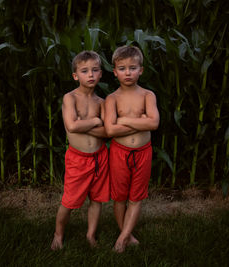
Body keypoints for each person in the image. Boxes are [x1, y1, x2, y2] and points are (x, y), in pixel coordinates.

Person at [51, 51, 110, 250]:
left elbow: (107, 132)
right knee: (69, 201)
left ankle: (90, 235)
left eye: (95, 70)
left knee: (97, 199)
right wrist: (95, 121)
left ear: (101, 73)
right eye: (85, 71)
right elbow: (72, 126)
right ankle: (58, 234)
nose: (90, 75)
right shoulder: (70, 98)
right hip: (78, 159)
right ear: (76, 76)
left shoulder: (102, 102)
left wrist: (86, 124)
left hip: (100, 157)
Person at [104, 45, 160, 253]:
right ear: (115, 71)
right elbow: (110, 129)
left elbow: (154, 124)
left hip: (143, 152)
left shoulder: (148, 95)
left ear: (141, 70)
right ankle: (126, 233)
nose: (128, 73)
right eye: (122, 68)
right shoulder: (112, 99)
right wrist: (139, 120)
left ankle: (123, 238)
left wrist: (124, 120)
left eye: (133, 67)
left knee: (136, 196)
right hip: (119, 153)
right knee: (119, 197)